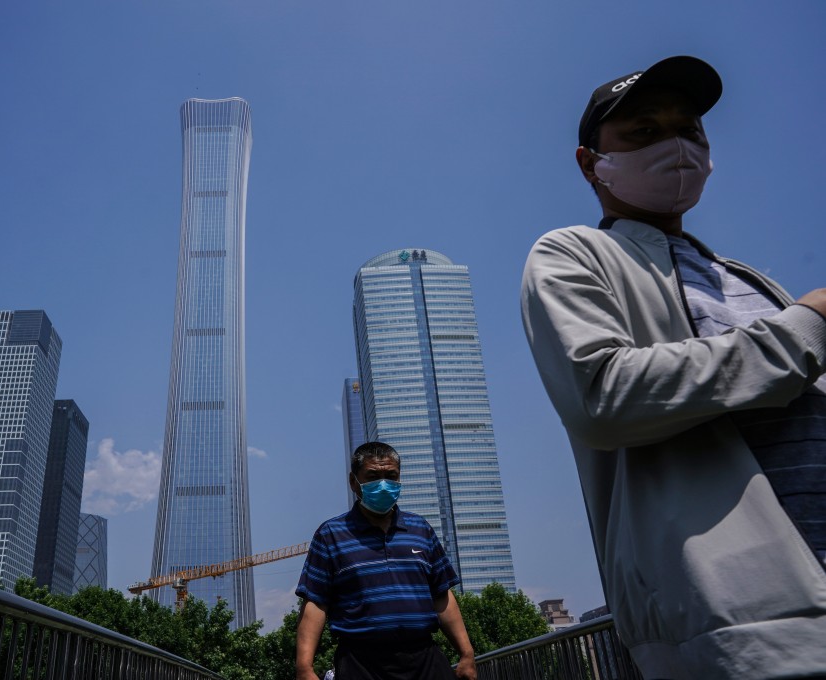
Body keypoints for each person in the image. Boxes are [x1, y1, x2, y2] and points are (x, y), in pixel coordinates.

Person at [520, 55, 826, 679]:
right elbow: (603, 394)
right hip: (739, 622)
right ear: (590, 163)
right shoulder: (575, 254)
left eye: (690, 129)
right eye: (644, 132)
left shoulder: (750, 280)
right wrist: (806, 326)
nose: (676, 146)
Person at [294, 441, 476, 680]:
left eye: (391, 476)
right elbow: (316, 604)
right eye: (373, 476)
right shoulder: (331, 534)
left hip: (424, 658)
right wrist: (304, 668)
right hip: (361, 664)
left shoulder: (420, 529)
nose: (383, 484)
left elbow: (441, 595)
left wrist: (466, 654)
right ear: (353, 482)